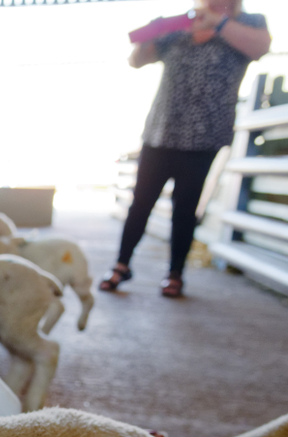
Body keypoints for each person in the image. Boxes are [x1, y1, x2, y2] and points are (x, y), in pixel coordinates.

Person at [99, 0, 270, 297]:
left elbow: (259, 48)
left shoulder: (249, 22)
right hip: (161, 131)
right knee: (140, 203)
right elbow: (136, 60)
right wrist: (152, 33)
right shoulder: (182, 24)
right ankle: (121, 265)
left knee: (185, 208)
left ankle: (175, 273)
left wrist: (217, 22)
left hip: (204, 135)